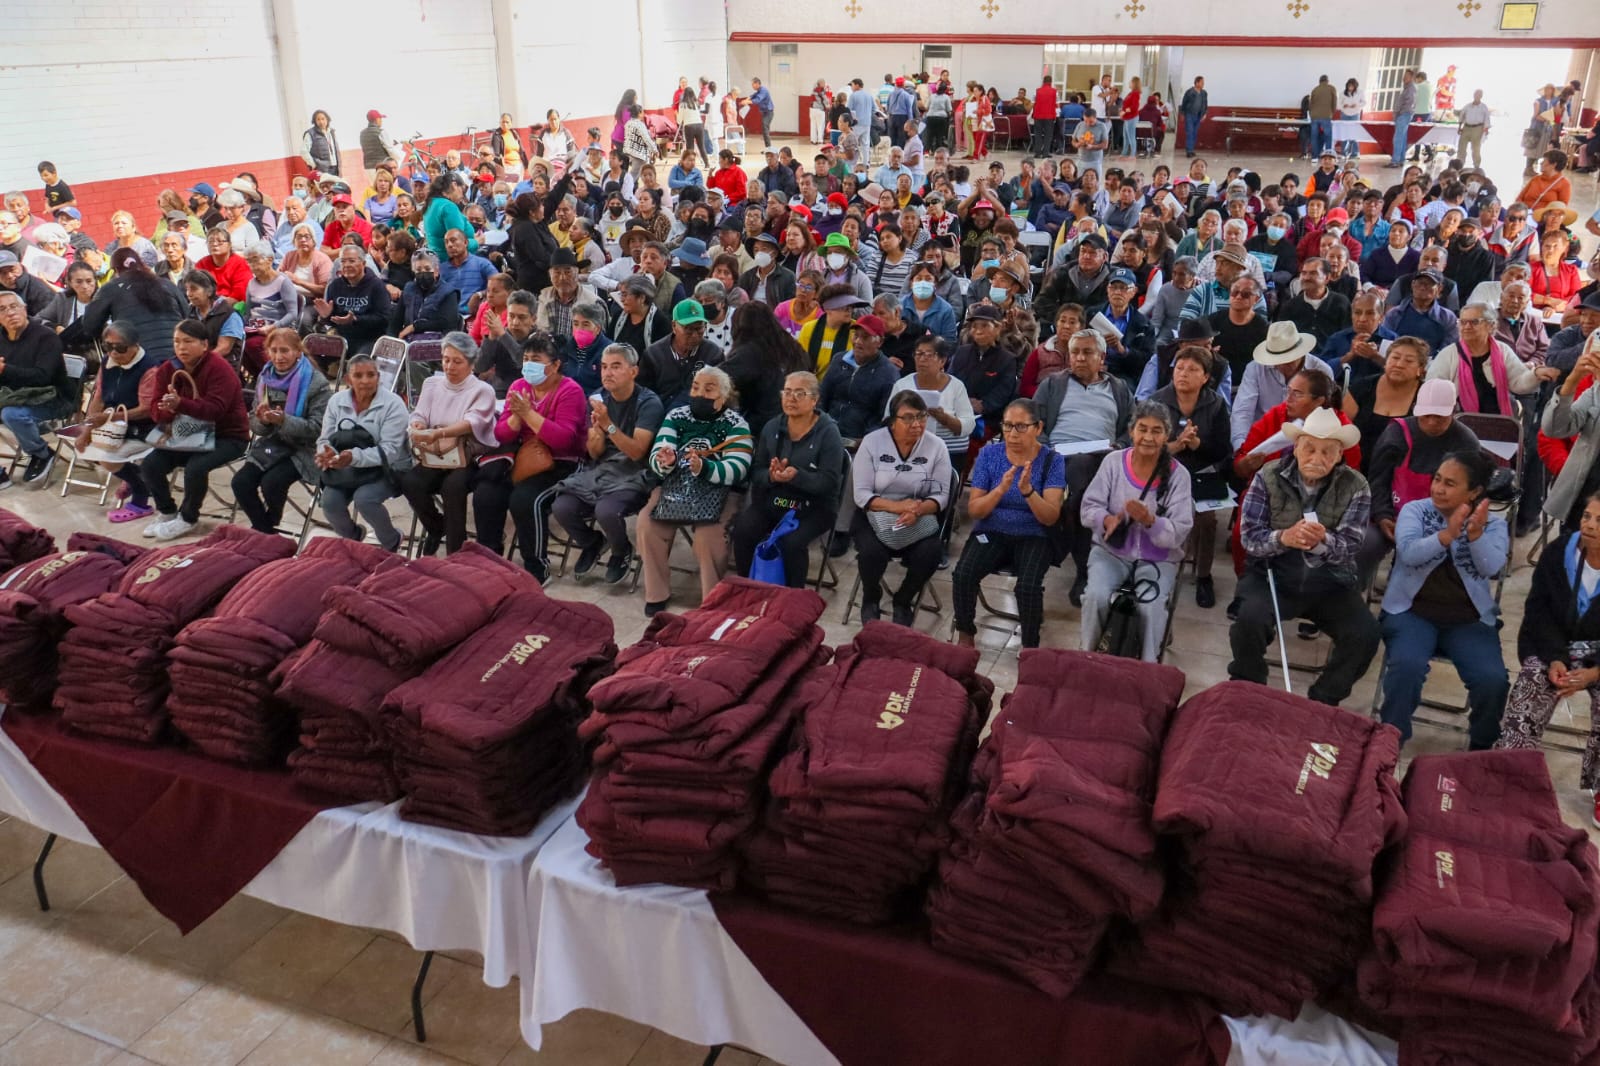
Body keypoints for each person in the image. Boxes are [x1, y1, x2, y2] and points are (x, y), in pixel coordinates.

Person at [1229, 407, 1379, 705]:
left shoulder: (1356, 485)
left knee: (1365, 634)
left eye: (1327, 452)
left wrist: (1322, 540)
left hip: (1329, 580)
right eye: (1309, 448)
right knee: (1248, 620)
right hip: (1273, 571)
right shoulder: (1267, 476)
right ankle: (1248, 687)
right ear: (1295, 448)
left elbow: (1350, 546)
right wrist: (1285, 537)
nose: (1316, 458)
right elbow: (1249, 537)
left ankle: (1323, 700)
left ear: (1339, 456)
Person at [1378, 449, 1509, 748]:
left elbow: (1491, 566)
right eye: (1437, 479)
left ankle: (1481, 749)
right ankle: (1389, 741)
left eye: (1450, 483)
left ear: (1474, 491)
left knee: (1493, 680)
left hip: (1467, 620)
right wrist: (1446, 536)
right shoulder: (1415, 510)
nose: (1438, 488)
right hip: (1412, 612)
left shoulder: (1493, 525)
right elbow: (1409, 554)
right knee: (1406, 667)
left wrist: (1475, 535)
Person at [1499, 490, 1600, 820]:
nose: (1590, 525)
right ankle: (1512, 771)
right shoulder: (1559, 552)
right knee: (1530, 685)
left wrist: (1593, 673)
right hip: (1554, 645)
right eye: (1587, 516)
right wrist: (1556, 659)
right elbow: (1538, 611)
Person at [1080, 402, 1194, 660]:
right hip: (1111, 552)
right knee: (1095, 597)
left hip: (1158, 558)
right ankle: (1087, 658)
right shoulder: (1113, 463)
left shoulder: (1179, 477)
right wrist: (1106, 519)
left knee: (1150, 606)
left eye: (1157, 431)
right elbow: (1088, 507)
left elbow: (1179, 531)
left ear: (1167, 436)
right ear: (1132, 432)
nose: (1149, 437)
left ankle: (1147, 669)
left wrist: (1152, 522)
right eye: (1142, 429)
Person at [950, 398, 1067, 650]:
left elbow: (1050, 516)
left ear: (1038, 428)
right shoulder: (989, 455)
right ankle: (965, 636)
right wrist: (1000, 490)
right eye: (1007, 426)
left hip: (1034, 533)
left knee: (1027, 586)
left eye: (1021, 427)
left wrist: (1027, 492)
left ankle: (1029, 647)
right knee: (963, 574)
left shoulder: (1052, 461)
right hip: (992, 530)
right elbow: (975, 510)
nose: (1013, 434)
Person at [637, 366, 753, 615]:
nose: (699, 394)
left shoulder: (736, 424)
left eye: (708, 389)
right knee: (648, 524)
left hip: (719, 491)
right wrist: (664, 460)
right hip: (676, 486)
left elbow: (739, 468)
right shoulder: (676, 416)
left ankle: (711, 599)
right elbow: (659, 453)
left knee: (708, 537)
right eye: (696, 387)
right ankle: (657, 593)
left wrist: (705, 468)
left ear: (722, 396)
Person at [1032, 327, 1134, 602]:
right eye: (1074, 352)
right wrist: (1045, 450)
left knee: (1082, 474)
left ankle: (1068, 529)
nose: (1079, 358)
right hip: (1058, 457)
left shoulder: (1119, 388)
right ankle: (1085, 570)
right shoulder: (1053, 385)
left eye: (1087, 352)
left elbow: (1131, 428)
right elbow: (1035, 424)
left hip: (1104, 458)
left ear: (1101, 357)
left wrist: (1120, 446)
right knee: (1079, 472)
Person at [551, 343, 665, 583]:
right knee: (561, 507)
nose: (607, 373)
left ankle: (621, 550)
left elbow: (637, 452)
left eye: (615, 367)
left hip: (635, 473)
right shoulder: (598, 398)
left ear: (633, 372)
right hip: (601, 470)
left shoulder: (648, 402)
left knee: (605, 511)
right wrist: (597, 431)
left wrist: (609, 425)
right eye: (603, 367)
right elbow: (593, 453)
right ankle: (592, 543)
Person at [480, 333, 587, 581]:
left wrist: (528, 415)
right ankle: (487, 555)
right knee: (488, 493)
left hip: (562, 462)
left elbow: (564, 440)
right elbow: (501, 433)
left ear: (555, 364)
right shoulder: (519, 387)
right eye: (526, 358)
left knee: (525, 499)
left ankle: (537, 566)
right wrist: (517, 418)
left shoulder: (570, 391)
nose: (528, 364)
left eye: (536, 359)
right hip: (526, 458)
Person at [137, 320, 250, 540]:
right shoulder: (168, 369)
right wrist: (166, 409)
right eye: (177, 342)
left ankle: (188, 518)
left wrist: (180, 404)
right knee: (151, 464)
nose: (181, 347)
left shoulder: (219, 369)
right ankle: (167, 512)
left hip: (227, 436)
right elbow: (155, 409)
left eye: (188, 342)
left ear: (205, 345)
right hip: (189, 432)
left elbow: (215, 410)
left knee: (195, 467)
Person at [731, 371, 845, 587]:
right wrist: (772, 476)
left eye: (799, 393)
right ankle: (748, 588)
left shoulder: (828, 433)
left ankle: (792, 598)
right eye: (787, 392)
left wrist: (796, 476)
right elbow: (757, 472)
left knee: (790, 543)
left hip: (813, 508)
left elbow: (829, 482)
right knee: (743, 531)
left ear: (815, 399)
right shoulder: (772, 427)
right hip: (774, 500)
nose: (791, 398)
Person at [852, 390, 954, 624]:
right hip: (874, 513)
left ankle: (904, 599)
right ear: (892, 420)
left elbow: (941, 495)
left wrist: (916, 510)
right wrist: (897, 507)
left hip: (917, 514)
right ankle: (870, 597)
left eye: (921, 416)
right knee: (871, 553)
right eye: (907, 417)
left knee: (931, 553)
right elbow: (861, 494)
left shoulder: (937, 446)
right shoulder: (872, 442)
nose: (916, 424)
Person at [399, 332, 498, 556]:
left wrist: (439, 433)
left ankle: (456, 551)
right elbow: (420, 413)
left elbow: (472, 422)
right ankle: (436, 527)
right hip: (436, 452)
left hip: (468, 455)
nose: (449, 366)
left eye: (457, 361)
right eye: (445, 359)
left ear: (471, 364)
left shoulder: (482, 390)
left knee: (452, 487)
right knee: (410, 482)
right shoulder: (432, 383)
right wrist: (417, 425)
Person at [1152, 345, 1232, 607]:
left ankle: (1204, 575)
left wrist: (1197, 444)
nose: (1183, 374)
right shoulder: (1157, 402)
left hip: (1201, 471)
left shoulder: (1216, 404)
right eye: (1180, 368)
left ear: (1206, 377)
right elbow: (1144, 448)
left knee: (1207, 520)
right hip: (1164, 470)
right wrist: (1176, 445)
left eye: (1192, 369)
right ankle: (1155, 565)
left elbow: (1222, 450)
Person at [231, 328, 332, 535]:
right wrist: (263, 421)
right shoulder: (265, 377)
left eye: (285, 350)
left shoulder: (316, 382)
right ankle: (266, 530)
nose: (279, 357)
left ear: (298, 352)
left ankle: (265, 529)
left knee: (272, 482)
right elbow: (256, 424)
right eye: (274, 350)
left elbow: (318, 428)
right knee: (240, 483)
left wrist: (284, 420)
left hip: (306, 448)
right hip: (274, 444)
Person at [313, 353, 411, 551]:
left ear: (378, 377)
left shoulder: (393, 404)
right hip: (347, 469)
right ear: (348, 380)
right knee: (329, 502)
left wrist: (353, 457)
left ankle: (391, 541)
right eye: (358, 376)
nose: (365, 381)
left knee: (365, 499)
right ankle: (353, 537)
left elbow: (390, 450)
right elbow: (325, 438)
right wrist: (327, 453)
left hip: (387, 469)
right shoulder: (337, 401)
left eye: (371, 375)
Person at [71, 321, 161, 520]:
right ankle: (138, 476)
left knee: (107, 458)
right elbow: (99, 397)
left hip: (144, 428)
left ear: (135, 345)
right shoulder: (107, 362)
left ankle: (141, 496)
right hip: (113, 424)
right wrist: (86, 430)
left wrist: (110, 417)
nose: (113, 353)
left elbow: (146, 410)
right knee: (86, 448)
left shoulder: (149, 368)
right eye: (108, 346)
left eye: (120, 348)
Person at [0, 289, 73, 488]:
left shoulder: (45, 337)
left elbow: (43, 377)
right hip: (16, 396)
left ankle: (41, 452)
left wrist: (5, 369)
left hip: (53, 398)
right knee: (10, 411)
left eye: (14, 307)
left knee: (11, 414)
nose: (10, 313)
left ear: (25, 309)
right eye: (2, 309)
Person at [1426, 301, 1546, 416]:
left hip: (1497, 419)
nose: (1467, 327)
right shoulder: (1449, 354)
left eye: (1474, 322)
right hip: (1459, 420)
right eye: (1462, 322)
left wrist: (1535, 374)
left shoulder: (1502, 350)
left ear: (1491, 325)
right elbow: (1433, 388)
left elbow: (1518, 383)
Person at [79, 249, 186, 366]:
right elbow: (187, 314)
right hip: (179, 355)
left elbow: (89, 326)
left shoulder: (111, 288)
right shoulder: (167, 284)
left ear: (115, 270)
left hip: (141, 362)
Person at [1542, 343, 1600, 532]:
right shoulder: (1595, 391)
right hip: (1584, 495)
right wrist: (1572, 380)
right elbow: (1554, 429)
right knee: (1571, 553)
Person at [818, 313, 898, 444]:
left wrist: (864, 442)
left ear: (880, 342)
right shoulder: (839, 360)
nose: (858, 342)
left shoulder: (889, 373)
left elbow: (884, 418)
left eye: (865, 337)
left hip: (862, 441)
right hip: (827, 433)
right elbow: (822, 397)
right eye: (856, 335)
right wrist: (821, 427)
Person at [1179, 77, 1209, 158]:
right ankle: (1189, 150)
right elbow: (1184, 103)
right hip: (1189, 114)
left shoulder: (1204, 93)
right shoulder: (1189, 92)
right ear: (1196, 83)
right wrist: (1182, 114)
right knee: (1190, 132)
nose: (1203, 84)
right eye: (1202, 82)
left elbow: (1205, 104)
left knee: (1195, 133)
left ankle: (1191, 149)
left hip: (1199, 115)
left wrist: (1205, 114)